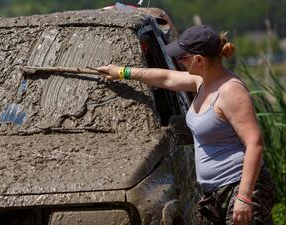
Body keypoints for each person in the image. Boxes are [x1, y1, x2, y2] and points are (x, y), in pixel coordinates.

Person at [97, 25, 274, 225]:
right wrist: (121, 72)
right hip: (218, 191)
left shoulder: (230, 91)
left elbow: (255, 143)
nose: (178, 62)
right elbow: (166, 77)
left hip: (241, 187)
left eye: (182, 57)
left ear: (199, 59)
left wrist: (244, 197)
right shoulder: (202, 81)